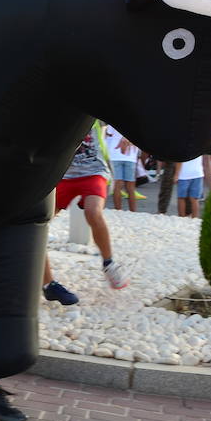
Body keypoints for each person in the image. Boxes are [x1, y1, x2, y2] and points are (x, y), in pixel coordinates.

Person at [39, 124, 130, 307]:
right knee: (36, 224)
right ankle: (49, 285)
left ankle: (109, 263)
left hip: (93, 172)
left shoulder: (94, 112)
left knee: (93, 211)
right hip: (63, 175)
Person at [102, 123, 138, 211]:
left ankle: (118, 210)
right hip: (131, 156)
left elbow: (109, 132)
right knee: (130, 187)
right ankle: (133, 211)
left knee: (117, 186)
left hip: (115, 154)